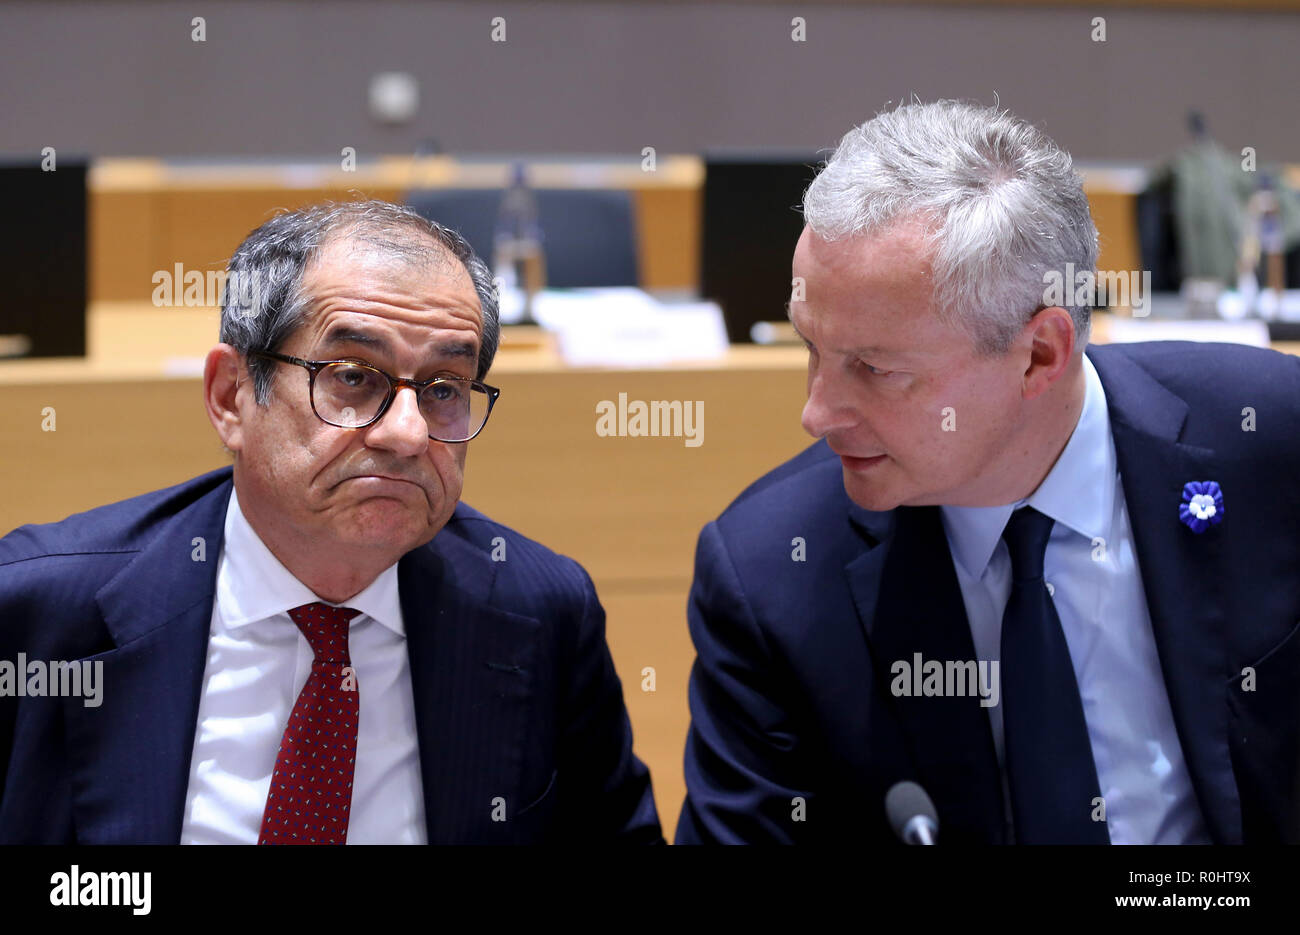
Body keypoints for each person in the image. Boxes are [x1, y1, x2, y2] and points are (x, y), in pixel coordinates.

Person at [676, 100, 1300, 845]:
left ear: (1040, 354)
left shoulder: (1269, 444)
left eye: (873, 368)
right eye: (812, 348)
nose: (817, 412)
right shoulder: (769, 576)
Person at [0, 200, 662, 844]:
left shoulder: (541, 615)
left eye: (442, 390)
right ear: (231, 396)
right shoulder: (39, 612)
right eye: (353, 377)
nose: (407, 433)